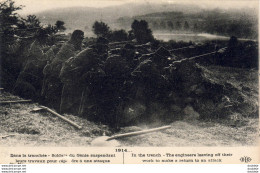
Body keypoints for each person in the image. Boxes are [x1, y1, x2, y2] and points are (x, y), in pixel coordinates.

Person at [42, 30, 84, 110]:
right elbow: (75, 57)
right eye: (80, 38)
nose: (81, 40)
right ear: (75, 38)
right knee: (54, 95)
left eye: (82, 38)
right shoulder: (68, 46)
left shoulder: (76, 46)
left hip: (63, 70)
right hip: (56, 70)